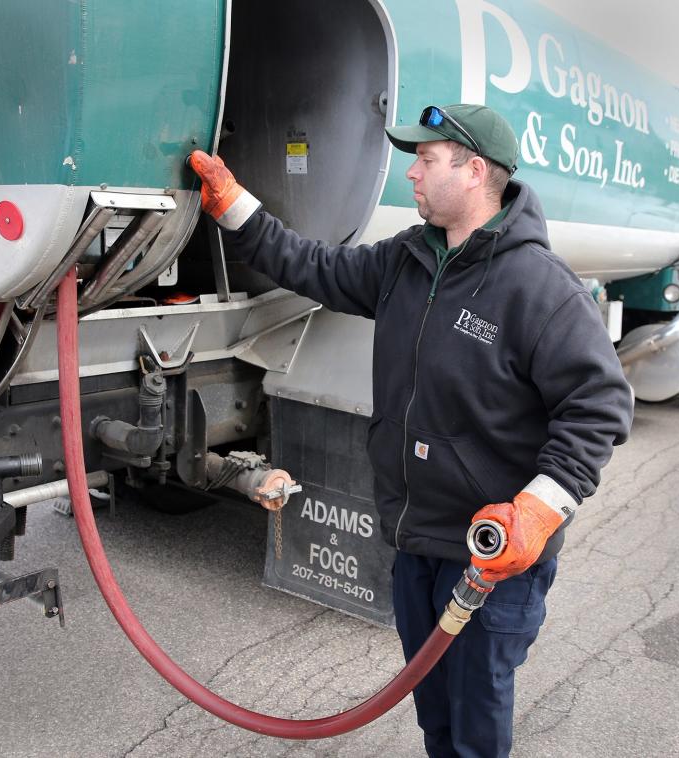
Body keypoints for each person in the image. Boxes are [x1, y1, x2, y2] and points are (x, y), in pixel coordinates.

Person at [188, 103, 633, 757]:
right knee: (437, 723)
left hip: (492, 560)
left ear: (474, 170)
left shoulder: (540, 289)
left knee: (476, 728)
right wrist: (233, 207)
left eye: (425, 161)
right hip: (415, 543)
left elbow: (600, 407)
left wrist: (540, 509)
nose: (411, 176)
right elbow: (311, 265)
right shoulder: (405, 261)